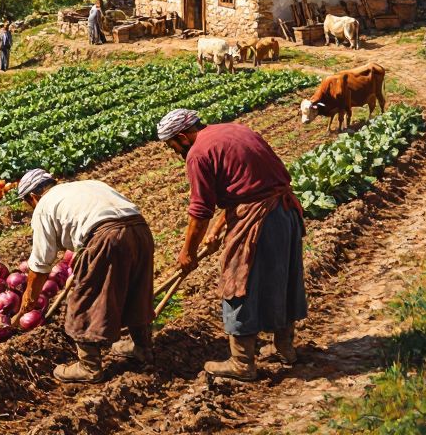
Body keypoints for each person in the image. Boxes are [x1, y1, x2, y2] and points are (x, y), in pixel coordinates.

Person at [157, 108, 306, 382]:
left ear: (181, 136)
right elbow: (246, 185)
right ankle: (286, 348)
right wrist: (218, 229)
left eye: (172, 146)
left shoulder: (198, 152)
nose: (175, 153)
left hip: (257, 221)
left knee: (239, 282)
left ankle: (242, 363)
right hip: (285, 214)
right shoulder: (237, 130)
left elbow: (200, 211)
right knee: (283, 278)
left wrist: (187, 252)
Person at [16, 169, 155, 383]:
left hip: (106, 237)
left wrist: (29, 298)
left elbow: (41, 263)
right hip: (140, 230)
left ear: (32, 197)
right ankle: (142, 348)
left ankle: (88, 367)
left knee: (84, 298)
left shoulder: (43, 206)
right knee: (136, 289)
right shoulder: (88, 184)